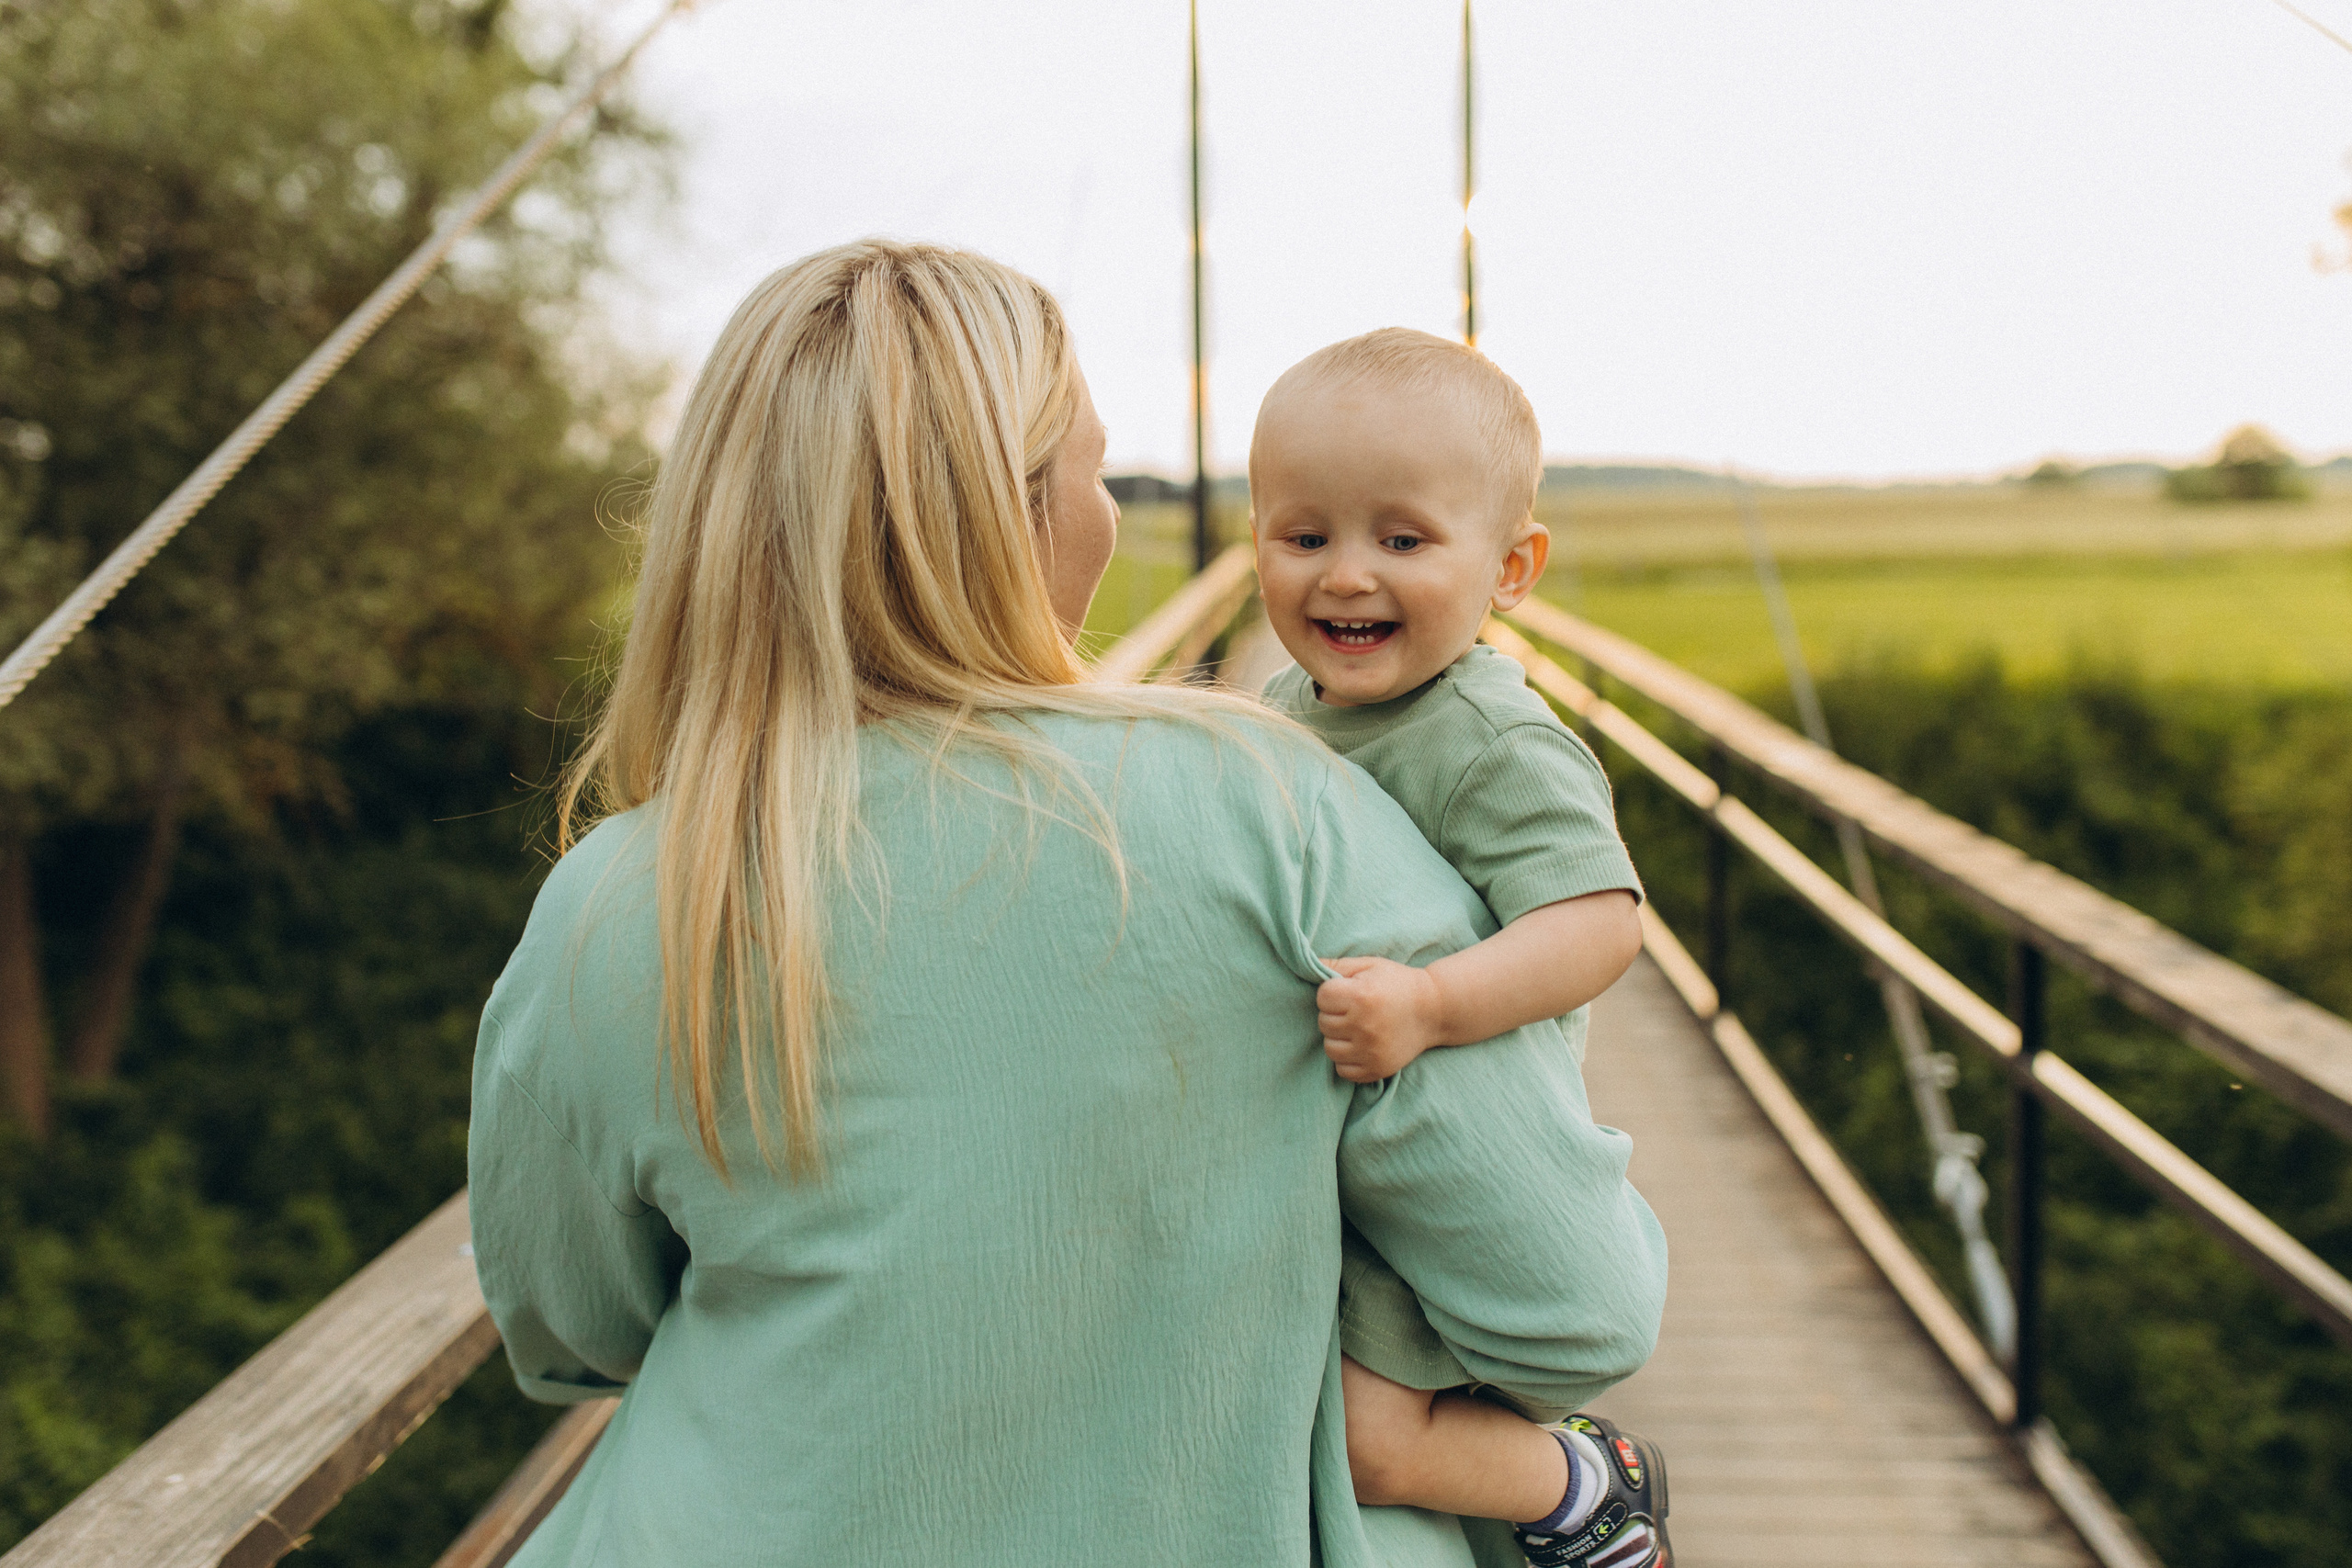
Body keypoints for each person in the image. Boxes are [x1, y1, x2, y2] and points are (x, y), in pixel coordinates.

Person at [467, 241, 1667, 1568]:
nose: (1107, 510)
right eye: (1094, 471)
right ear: (1011, 513)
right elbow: (1573, 1308)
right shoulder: (1279, 810)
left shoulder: (609, 901)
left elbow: (575, 1333)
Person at [1250, 327, 1667, 1568]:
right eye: (1305, 536)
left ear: (1513, 568)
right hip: (1344, 1141)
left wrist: (1436, 1002)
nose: (1345, 578)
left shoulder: (1491, 736)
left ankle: (1585, 1485)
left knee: (1378, 1446)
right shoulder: (1278, 714)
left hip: (1453, 1144)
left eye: (1403, 539)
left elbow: (1599, 922)